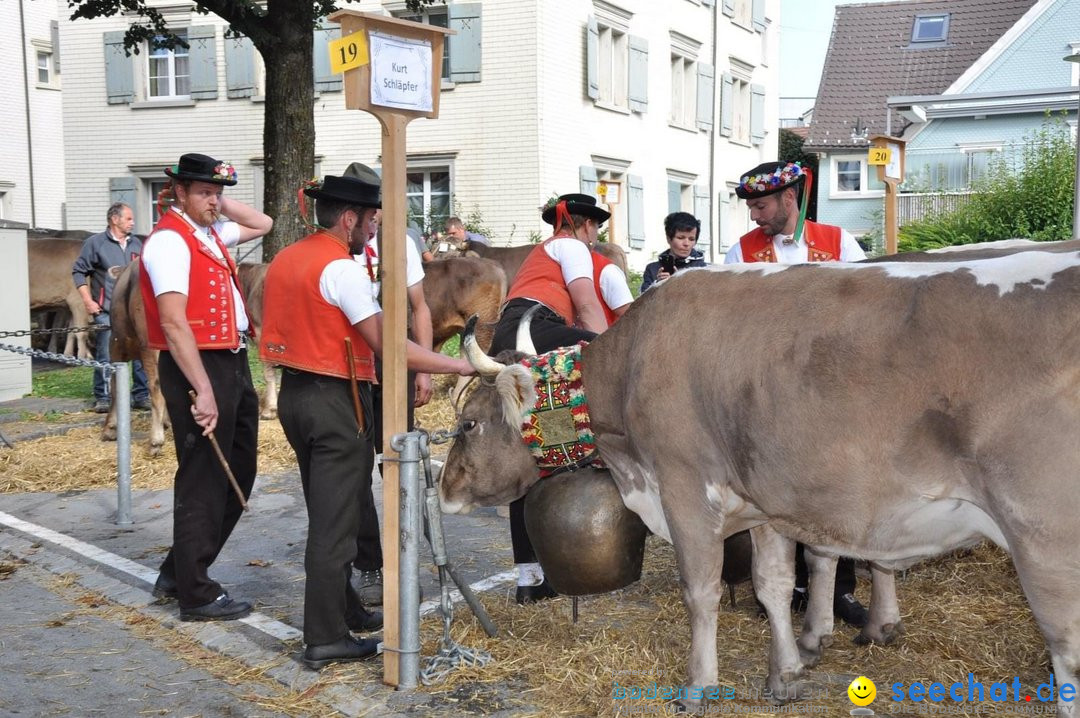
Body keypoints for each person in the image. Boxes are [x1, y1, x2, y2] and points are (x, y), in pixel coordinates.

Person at [260, 173, 476, 670]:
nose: (375, 226)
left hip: (296, 392)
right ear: (349, 218)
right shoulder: (343, 270)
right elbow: (388, 343)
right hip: (334, 398)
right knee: (336, 527)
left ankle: (346, 610)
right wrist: (456, 365)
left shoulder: (289, 258)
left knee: (331, 510)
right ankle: (325, 637)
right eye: (372, 218)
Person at [725, 160, 869, 628]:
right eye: (750, 206)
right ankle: (781, 588)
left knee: (833, 486)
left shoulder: (839, 242)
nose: (753, 216)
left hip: (832, 386)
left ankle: (838, 591)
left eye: (761, 205)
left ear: (790, 198)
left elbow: (871, 309)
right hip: (768, 391)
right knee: (775, 487)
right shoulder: (740, 251)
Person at [141, 153, 273, 622]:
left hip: (231, 359)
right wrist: (205, 388)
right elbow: (175, 324)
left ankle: (178, 573)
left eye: (216, 192)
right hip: (199, 365)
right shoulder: (169, 242)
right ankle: (195, 591)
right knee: (204, 475)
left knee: (240, 471)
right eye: (202, 191)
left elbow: (263, 221)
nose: (213, 200)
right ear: (178, 191)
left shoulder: (208, 233)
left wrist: (217, 201)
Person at [490, 192, 633, 604]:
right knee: (615, 358)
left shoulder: (544, 253)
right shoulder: (571, 247)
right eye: (596, 228)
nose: (595, 236)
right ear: (585, 225)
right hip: (534, 328)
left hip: (518, 334)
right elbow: (590, 309)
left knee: (541, 447)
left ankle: (531, 578)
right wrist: (614, 360)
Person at [341, 162, 434, 608]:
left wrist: (428, 369)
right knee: (355, 471)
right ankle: (370, 566)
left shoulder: (399, 246)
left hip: (396, 365)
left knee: (397, 464)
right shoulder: (332, 251)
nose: (378, 215)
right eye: (371, 208)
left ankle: (403, 564)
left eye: (380, 207)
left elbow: (420, 308)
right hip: (349, 371)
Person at [72, 202, 151, 413]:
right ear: (114, 220)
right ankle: (104, 397)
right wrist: (88, 301)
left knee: (140, 353)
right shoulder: (95, 244)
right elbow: (79, 272)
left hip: (134, 313)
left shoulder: (138, 245)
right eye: (128, 219)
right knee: (106, 353)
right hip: (107, 311)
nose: (132, 222)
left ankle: (141, 395)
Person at [640, 211, 709, 292]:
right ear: (668, 238)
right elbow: (643, 302)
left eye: (691, 239)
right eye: (681, 238)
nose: (686, 244)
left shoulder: (704, 269)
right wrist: (657, 285)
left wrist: (678, 283)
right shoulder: (652, 269)